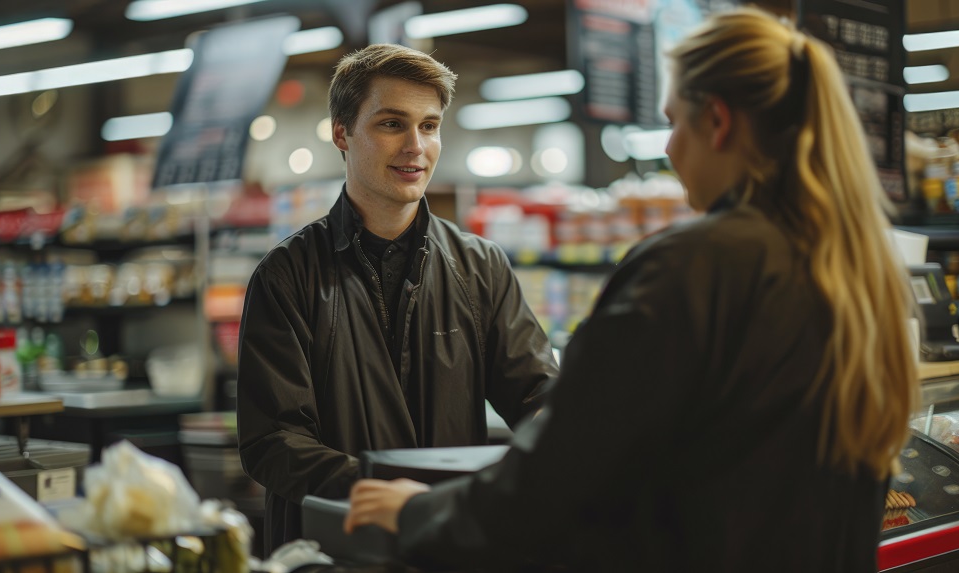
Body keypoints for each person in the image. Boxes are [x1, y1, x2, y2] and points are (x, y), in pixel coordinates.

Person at [344, 8, 919, 572]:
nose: (669, 150)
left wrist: (418, 512)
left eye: (676, 123)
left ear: (717, 122)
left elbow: (564, 476)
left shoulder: (694, 265)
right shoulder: (857, 266)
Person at [236, 43, 559, 554]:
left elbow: (539, 398)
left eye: (429, 126)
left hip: (447, 546)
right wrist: (388, 492)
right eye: (392, 124)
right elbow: (274, 442)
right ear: (342, 133)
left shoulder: (481, 267)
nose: (416, 146)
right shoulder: (287, 275)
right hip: (334, 547)